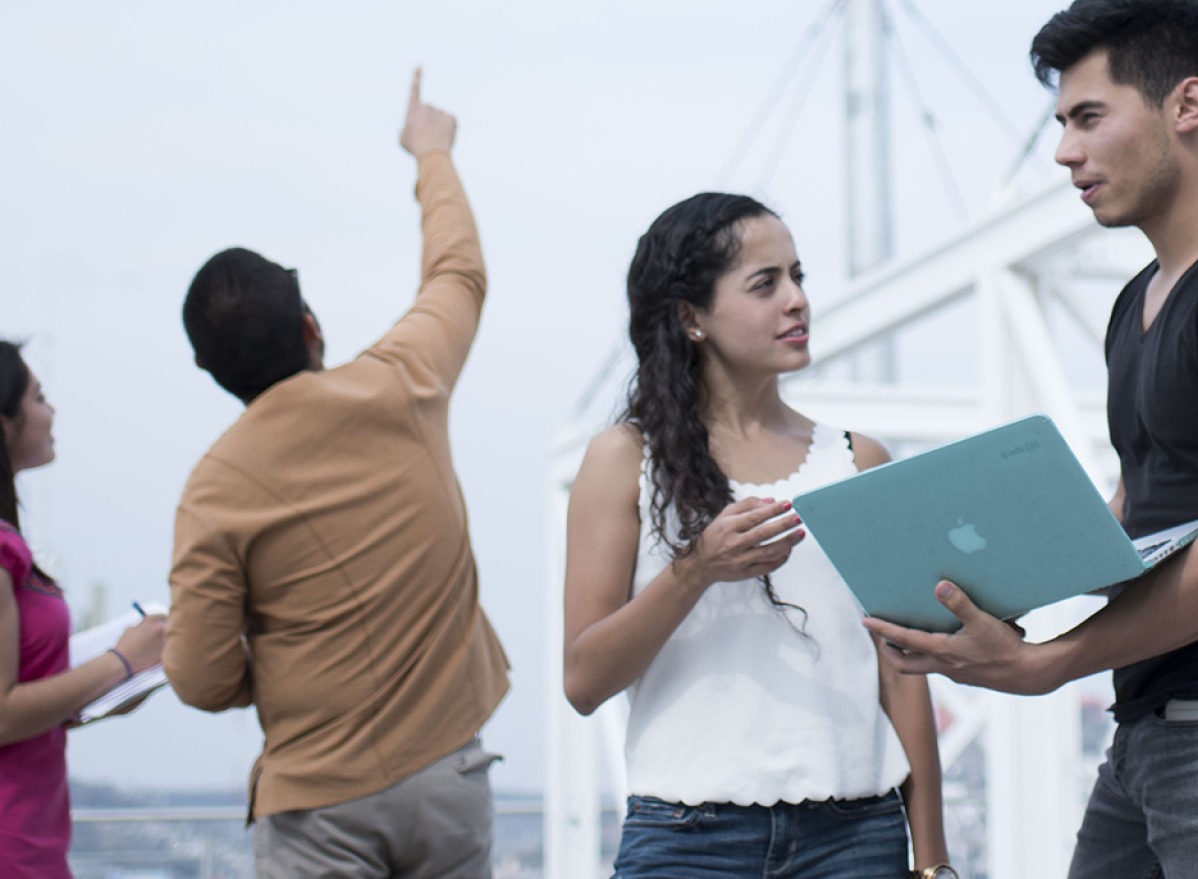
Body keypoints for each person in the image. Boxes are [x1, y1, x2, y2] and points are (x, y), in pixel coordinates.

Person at [864, 0, 1198, 878]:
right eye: (1061, 124)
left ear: (1189, 103)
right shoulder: (1138, 301)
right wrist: (983, 590)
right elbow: (1143, 502)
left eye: (1089, 118)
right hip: (1163, 720)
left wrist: (1048, 664)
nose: (1066, 153)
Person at [166, 72, 510, 879]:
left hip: (317, 804)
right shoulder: (404, 381)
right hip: (448, 779)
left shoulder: (213, 488)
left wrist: (288, 670)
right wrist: (431, 152)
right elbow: (457, 273)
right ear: (312, 326)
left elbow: (199, 677)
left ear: (214, 373)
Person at [563, 192, 955, 879]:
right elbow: (584, 680)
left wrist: (934, 864)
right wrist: (694, 572)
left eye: (799, 275)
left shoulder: (858, 459)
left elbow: (904, 675)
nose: (797, 300)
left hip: (857, 837)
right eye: (765, 283)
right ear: (691, 317)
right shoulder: (623, 459)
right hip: (685, 840)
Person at [0, 341, 170, 878]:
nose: (51, 412)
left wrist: (98, 695)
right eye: (38, 397)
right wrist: (120, 662)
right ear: (4, 422)